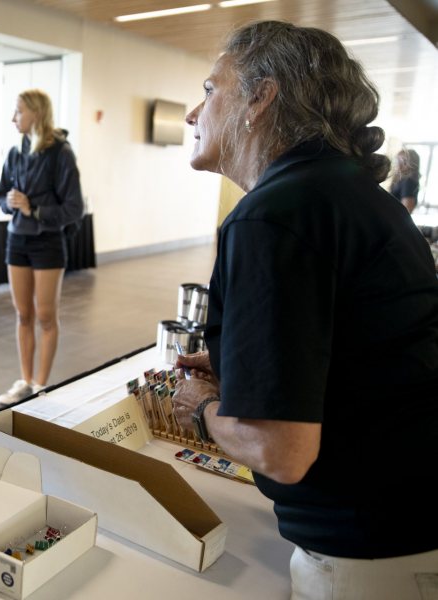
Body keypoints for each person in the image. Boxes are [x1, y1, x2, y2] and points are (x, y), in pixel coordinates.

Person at [172, 21, 438, 600]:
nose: (195, 113)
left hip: (370, 555)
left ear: (261, 98)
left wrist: (205, 407)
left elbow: (280, 451)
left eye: (211, 89)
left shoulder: (275, 216)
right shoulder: (346, 193)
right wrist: (245, 382)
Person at [0, 89, 83, 405]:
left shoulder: (61, 153)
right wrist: (9, 201)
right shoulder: (15, 153)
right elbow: (0, 195)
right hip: (17, 239)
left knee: (46, 316)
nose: (13, 118)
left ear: (36, 113)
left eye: (18, 111)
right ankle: (25, 380)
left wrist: (35, 210)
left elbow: (74, 208)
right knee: (22, 314)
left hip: (48, 241)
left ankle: (41, 386)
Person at [390, 148, 421, 214]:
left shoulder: (408, 181)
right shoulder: (401, 180)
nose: (399, 164)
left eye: (404, 161)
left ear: (412, 164)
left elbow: (407, 210)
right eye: (398, 160)